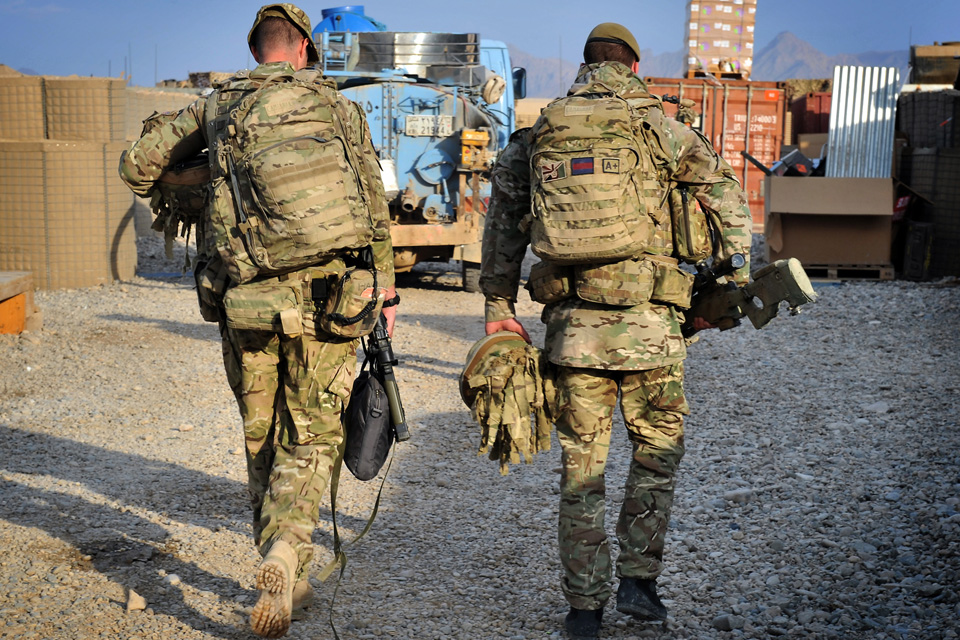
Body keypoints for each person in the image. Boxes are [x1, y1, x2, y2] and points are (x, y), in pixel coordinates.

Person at [119, 4, 396, 638]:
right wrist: (382, 291)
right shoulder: (338, 107)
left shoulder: (218, 106)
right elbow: (372, 204)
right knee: (315, 433)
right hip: (332, 302)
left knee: (261, 435)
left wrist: (201, 172)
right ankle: (288, 552)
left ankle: (284, 569)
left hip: (246, 303)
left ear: (257, 52)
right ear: (303, 50)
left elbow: (136, 166)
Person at [479, 23, 752, 640]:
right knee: (655, 458)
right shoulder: (664, 129)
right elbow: (728, 203)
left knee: (582, 471)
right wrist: (731, 283)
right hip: (653, 331)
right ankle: (638, 580)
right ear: (632, 64)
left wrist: (499, 303)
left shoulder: (540, 132)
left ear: (586, 65)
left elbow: (503, 229)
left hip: (574, 333)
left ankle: (582, 609)